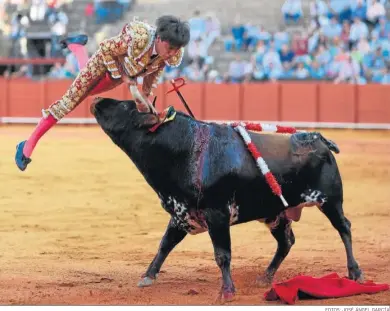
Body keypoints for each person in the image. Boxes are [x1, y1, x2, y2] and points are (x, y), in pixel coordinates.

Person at [15, 15, 191, 171]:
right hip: (103, 62)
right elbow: (106, 48)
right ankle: (27, 146)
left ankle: (76, 46)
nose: (172, 54)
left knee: (85, 91)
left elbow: (155, 71)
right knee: (70, 101)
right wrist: (124, 76)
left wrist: (144, 97)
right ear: (159, 39)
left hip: (119, 75)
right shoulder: (139, 38)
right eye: (170, 48)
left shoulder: (173, 52)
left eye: (176, 49)